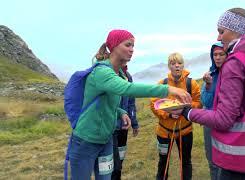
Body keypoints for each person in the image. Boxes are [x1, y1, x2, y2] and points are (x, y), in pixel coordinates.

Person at [69, 29, 192, 180]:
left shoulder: (119, 73)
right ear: (114, 46)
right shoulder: (102, 72)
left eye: (133, 46)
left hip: (106, 139)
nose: (132, 49)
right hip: (85, 140)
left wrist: (121, 112)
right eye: (128, 45)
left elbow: (108, 101)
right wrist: (168, 89)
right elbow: (127, 89)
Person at [177, 8, 245, 179]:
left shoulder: (235, 63)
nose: (218, 37)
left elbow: (224, 120)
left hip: (238, 162)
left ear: (235, 31)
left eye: (221, 31)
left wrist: (186, 112)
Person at [150, 52, 202, 180]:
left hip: (185, 132)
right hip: (164, 133)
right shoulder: (162, 84)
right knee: (163, 162)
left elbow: (199, 103)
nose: (177, 66)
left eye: (179, 63)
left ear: (183, 65)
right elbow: (154, 104)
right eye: (173, 64)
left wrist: (184, 109)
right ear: (169, 66)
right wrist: (167, 113)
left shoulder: (192, 84)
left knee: (185, 162)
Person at [200, 41, 227, 180]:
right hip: (210, 123)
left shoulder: (232, 73)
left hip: (228, 123)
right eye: (215, 54)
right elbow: (205, 101)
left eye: (221, 54)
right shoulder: (210, 75)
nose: (217, 57)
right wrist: (209, 84)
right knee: (212, 160)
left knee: (227, 162)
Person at [111, 64, 139, 180]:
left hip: (124, 128)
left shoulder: (128, 76)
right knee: (112, 165)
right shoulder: (108, 75)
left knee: (120, 162)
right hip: (110, 129)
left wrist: (134, 122)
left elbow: (131, 103)